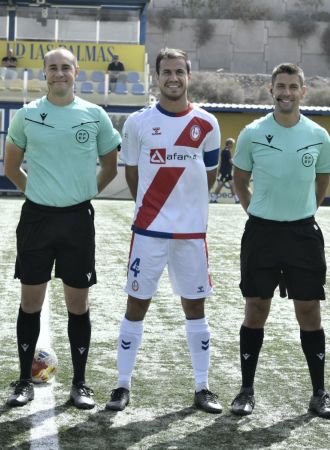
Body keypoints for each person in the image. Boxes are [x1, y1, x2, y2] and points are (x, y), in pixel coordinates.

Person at [105, 48, 222, 413]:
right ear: (156, 77)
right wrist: (154, 210)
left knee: (195, 308)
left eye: (179, 71)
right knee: (136, 305)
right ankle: (122, 386)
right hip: (149, 232)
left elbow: (209, 177)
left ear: (189, 75)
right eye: (166, 72)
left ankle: (202, 387)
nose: (173, 78)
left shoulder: (207, 124)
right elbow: (133, 175)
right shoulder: (138, 123)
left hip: (190, 235)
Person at [3, 47, 120, 410]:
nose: (59, 74)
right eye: (52, 68)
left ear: (76, 72)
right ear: (44, 73)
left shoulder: (94, 115)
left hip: (77, 219)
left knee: (78, 303)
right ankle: (24, 380)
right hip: (36, 218)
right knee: (30, 301)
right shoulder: (27, 115)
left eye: (65, 68)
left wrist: (83, 194)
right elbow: (11, 167)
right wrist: (37, 193)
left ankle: (80, 383)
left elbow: (110, 166)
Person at [230, 62, 330, 420]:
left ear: (303, 91)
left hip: (302, 234)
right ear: (271, 90)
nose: (287, 92)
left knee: (308, 311)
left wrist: (304, 211)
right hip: (261, 233)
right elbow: (240, 178)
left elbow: (322, 180)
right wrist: (255, 212)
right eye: (281, 86)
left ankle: (319, 393)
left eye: (293, 86)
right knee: (256, 309)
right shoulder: (252, 133)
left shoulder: (318, 135)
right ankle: (246, 390)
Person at [211, 138, 239, 203]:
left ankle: (236, 200)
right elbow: (230, 161)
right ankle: (213, 199)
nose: (232, 146)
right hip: (226, 172)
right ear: (229, 144)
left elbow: (222, 162)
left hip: (226, 171)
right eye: (232, 144)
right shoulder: (227, 151)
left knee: (232, 185)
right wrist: (236, 165)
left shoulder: (224, 151)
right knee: (220, 184)